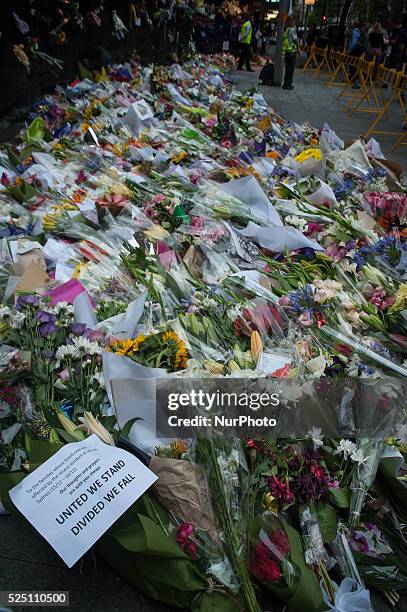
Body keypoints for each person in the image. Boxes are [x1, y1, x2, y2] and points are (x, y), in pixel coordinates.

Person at [282, 15, 298, 90]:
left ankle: (285, 84)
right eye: (294, 21)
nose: (294, 22)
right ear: (291, 21)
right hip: (292, 51)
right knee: (290, 69)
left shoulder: (287, 29)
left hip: (287, 52)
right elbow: (295, 40)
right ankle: (288, 84)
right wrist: (298, 49)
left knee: (288, 69)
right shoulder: (292, 29)